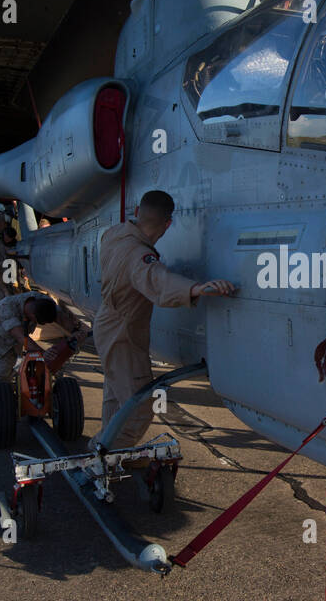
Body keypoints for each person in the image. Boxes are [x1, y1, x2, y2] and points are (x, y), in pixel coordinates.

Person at [93, 190, 234, 449]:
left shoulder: (114, 235)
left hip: (107, 323)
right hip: (123, 333)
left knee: (116, 396)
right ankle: (106, 455)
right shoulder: (139, 255)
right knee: (137, 405)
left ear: (137, 212)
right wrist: (197, 288)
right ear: (168, 224)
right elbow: (155, 279)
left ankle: (103, 447)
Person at [0, 292, 88, 403]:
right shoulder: (7, 309)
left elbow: (60, 317)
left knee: (3, 370)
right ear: (32, 315)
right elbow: (21, 337)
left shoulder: (43, 301)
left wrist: (75, 332)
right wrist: (44, 353)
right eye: (39, 322)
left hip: (5, 339)